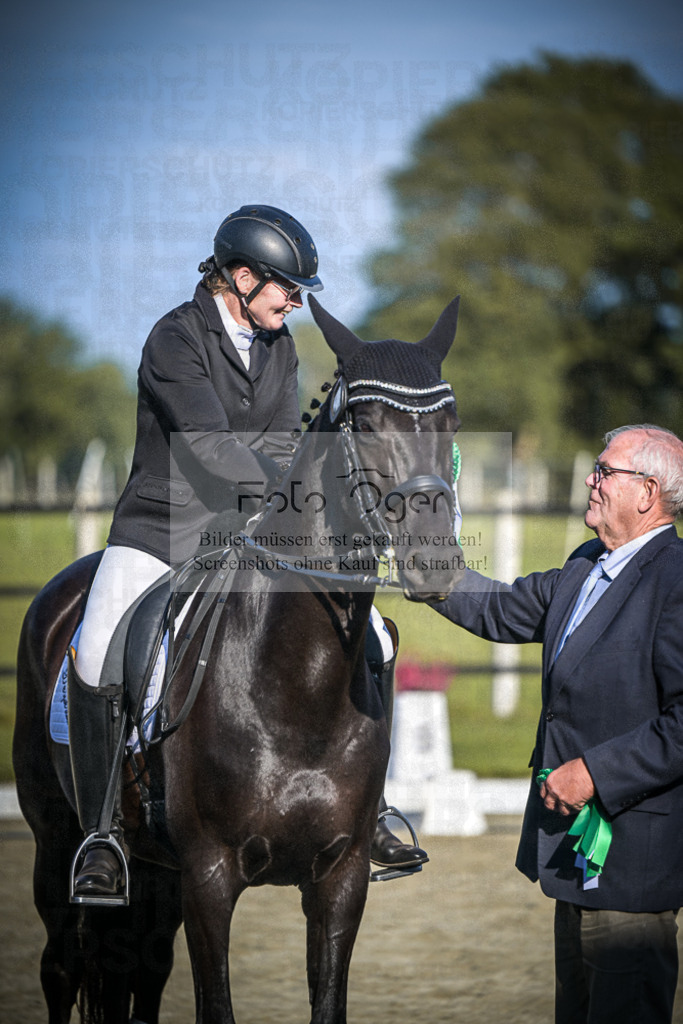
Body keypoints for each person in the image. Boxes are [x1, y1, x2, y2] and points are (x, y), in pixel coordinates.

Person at [68, 203, 426, 904]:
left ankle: (371, 807)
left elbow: (280, 443)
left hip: (250, 529)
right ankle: (101, 830)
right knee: (96, 646)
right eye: (285, 288)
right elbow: (205, 446)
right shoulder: (174, 339)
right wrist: (285, 485)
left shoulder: (279, 344)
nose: (293, 302)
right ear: (239, 276)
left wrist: (305, 492)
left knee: (375, 637)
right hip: (161, 531)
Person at [429, 424, 683, 1024]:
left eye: (604, 471)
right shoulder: (585, 564)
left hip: (632, 867)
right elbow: (498, 607)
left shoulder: (676, 580)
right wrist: (427, 563)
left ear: (647, 492)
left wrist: (594, 773)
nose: (591, 480)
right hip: (569, 859)